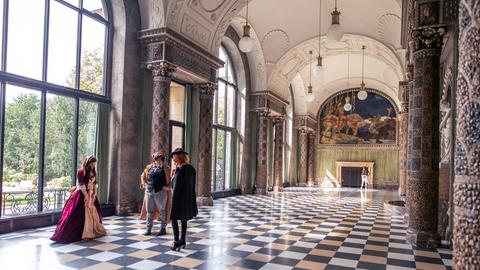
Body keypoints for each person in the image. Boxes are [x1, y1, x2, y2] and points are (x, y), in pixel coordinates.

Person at [50, 156, 106, 243]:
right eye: (92, 163)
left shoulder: (93, 171)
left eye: (94, 163)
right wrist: (86, 195)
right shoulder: (81, 172)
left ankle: (92, 230)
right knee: (76, 213)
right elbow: (81, 184)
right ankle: (78, 233)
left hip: (91, 194)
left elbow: (95, 184)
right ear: (88, 163)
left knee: (94, 212)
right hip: (82, 193)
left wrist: (94, 194)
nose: (94, 165)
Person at [169, 148, 198, 251]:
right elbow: (192, 185)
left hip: (178, 199)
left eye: (174, 156)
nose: (172, 158)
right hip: (188, 199)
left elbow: (175, 187)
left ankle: (176, 241)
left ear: (178, 156)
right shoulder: (191, 169)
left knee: (173, 219)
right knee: (183, 219)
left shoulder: (179, 170)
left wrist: (173, 177)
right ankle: (183, 240)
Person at [139, 152, 171, 236]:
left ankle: (163, 229)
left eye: (161, 159)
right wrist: (144, 185)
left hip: (161, 192)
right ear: (154, 159)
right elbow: (143, 176)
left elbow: (172, 179)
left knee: (162, 211)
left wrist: (168, 187)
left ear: (163, 160)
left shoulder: (166, 168)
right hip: (149, 191)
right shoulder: (149, 167)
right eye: (157, 159)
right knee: (149, 211)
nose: (159, 161)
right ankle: (148, 229)